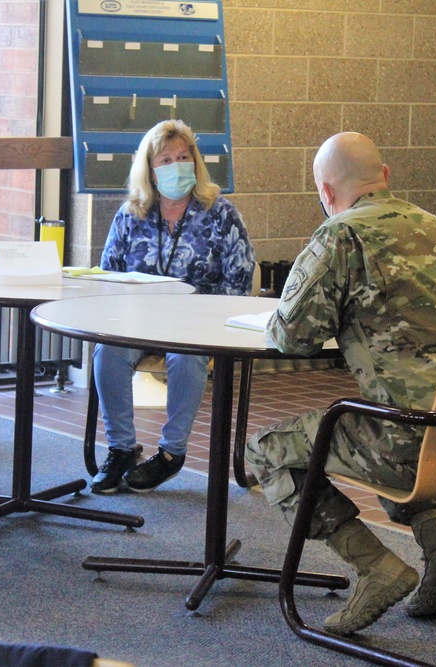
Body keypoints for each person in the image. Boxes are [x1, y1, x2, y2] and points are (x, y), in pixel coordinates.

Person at [245, 132, 436, 636]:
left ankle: (375, 568)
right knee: (384, 419)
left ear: (325, 191)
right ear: (385, 177)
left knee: (265, 452)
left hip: (409, 435)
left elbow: (291, 338)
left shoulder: (341, 236)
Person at [91, 119, 255, 494]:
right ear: (149, 169)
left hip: (195, 326)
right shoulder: (131, 214)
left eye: (184, 157)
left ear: (196, 163)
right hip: (138, 322)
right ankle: (120, 449)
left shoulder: (221, 213)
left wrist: (210, 319)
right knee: (108, 353)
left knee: (187, 357)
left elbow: (240, 281)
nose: (177, 166)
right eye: (166, 159)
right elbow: (107, 277)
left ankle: (171, 452)